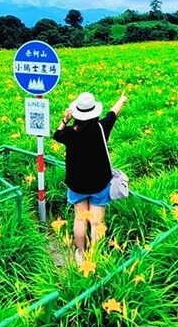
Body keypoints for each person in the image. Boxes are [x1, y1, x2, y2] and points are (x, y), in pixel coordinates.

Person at [53, 90, 128, 264]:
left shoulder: (70, 134)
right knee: (96, 222)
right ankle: (94, 257)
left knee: (80, 219)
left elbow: (57, 135)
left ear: (77, 113)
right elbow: (112, 113)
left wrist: (65, 120)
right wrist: (121, 100)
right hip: (99, 183)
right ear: (94, 112)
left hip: (77, 184)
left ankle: (81, 254)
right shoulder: (102, 128)